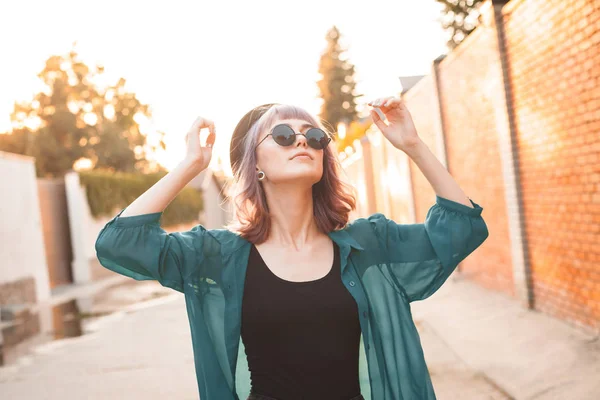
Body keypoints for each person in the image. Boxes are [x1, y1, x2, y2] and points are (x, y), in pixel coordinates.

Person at [95, 96, 489, 400]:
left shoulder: (369, 244)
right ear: (255, 165)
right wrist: (190, 165)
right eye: (283, 135)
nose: (302, 140)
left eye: (314, 136)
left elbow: (461, 229)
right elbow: (120, 242)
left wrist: (414, 144)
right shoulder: (216, 254)